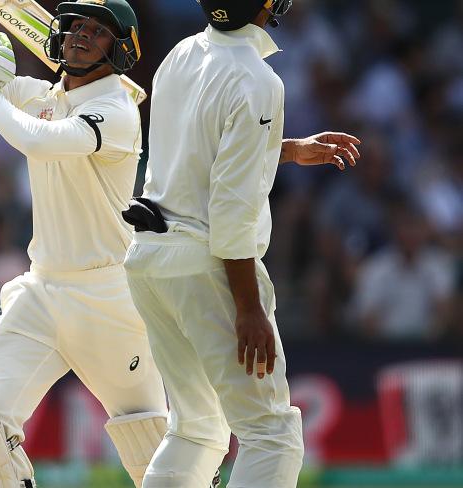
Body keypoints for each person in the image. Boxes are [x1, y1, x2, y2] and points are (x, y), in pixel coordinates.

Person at [0, 1, 169, 487]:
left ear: (119, 51)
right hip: (41, 293)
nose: (80, 35)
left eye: (96, 32)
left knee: (160, 459)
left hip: (108, 299)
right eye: (75, 26)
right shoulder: (38, 95)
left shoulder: (115, 110)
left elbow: (38, 140)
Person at [122, 1, 361, 487]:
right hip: (206, 267)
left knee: (196, 429)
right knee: (270, 434)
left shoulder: (181, 53)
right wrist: (248, 306)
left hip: (150, 261)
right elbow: (231, 207)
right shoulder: (258, 80)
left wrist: (286, 148)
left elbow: (194, 153)